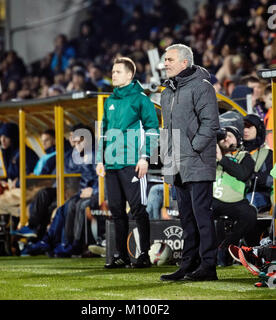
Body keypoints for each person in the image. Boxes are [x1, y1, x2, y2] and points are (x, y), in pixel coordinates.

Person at [159, 44, 220, 282]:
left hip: (196, 161)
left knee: (201, 217)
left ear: (184, 62)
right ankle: (188, 264)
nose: (165, 63)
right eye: (165, 59)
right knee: (186, 218)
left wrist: (193, 149)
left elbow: (210, 124)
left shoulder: (202, 87)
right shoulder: (167, 91)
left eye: (169, 59)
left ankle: (208, 266)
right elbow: (167, 129)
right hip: (176, 164)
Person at [96, 57, 159, 268]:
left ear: (130, 75)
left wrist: (145, 157)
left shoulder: (141, 99)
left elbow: (152, 129)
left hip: (133, 162)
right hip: (111, 164)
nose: (113, 74)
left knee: (138, 209)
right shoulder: (109, 101)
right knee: (115, 210)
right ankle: (121, 255)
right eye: (113, 71)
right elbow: (102, 132)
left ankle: (144, 256)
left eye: (118, 71)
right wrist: (99, 159)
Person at [24, 124, 98, 257]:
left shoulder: (94, 153)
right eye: (73, 140)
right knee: (60, 208)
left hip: (92, 193)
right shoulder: (78, 155)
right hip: (79, 192)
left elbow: (103, 176)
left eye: (78, 140)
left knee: (73, 205)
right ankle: (49, 240)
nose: (75, 143)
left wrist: (94, 190)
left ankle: (71, 244)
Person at [212, 125, 257, 266]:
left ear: (238, 140)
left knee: (250, 213)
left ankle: (228, 245)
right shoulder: (209, 157)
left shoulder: (245, 156)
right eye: (224, 136)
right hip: (212, 199)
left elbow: (243, 174)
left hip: (235, 201)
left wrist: (221, 159)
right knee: (197, 211)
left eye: (230, 136)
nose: (226, 138)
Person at [243, 114, 273, 212]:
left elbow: (271, 181)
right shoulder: (235, 152)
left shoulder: (268, 154)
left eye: (249, 127)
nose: (245, 130)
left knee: (248, 200)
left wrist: (253, 176)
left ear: (259, 129)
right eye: (243, 127)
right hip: (237, 192)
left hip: (261, 194)